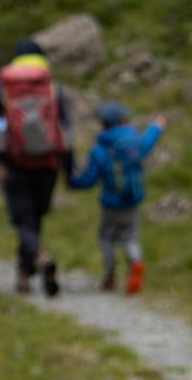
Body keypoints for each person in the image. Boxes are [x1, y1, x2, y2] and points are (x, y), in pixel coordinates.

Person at [0, 38, 73, 297]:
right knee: (34, 219)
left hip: (16, 165)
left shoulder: (4, 88)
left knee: (23, 221)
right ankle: (23, 274)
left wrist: (3, 161)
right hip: (47, 164)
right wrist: (68, 168)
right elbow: (64, 130)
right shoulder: (51, 87)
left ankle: (38, 257)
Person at [69, 102, 165, 295]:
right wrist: (157, 126)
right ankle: (136, 262)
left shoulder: (99, 150)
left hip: (110, 204)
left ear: (103, 124)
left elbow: (89, 180)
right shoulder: (134, 142)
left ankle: (109, 278)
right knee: (130, 235)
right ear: (122, 121)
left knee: (107, 238)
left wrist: (71, 181)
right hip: (132, 200)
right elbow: (148, 144)